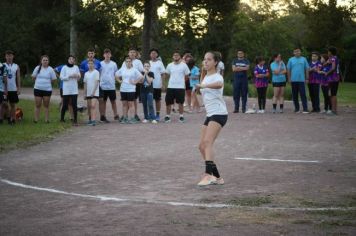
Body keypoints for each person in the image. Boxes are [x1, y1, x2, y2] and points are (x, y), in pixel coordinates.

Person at [195, 51, 228, 186]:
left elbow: (219, 85)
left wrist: (204, 86)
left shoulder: (217, 76)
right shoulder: (205, 77)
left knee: (208, 142)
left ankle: (208, 175)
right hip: (209, 114)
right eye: (204, 59)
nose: (206, 62)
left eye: (209, 60)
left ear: (215, 62)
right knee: (201, 146)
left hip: (219, 114)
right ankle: (218, 178)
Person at [164, 50, 190, 123]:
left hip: (180, 87)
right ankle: (167, 116)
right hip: (170, 86)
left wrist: (181, 82)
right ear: (172, 57)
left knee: (180, 102)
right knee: (168, 102)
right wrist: (166, 84)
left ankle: (181, 116)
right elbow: (167, 75)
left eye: (177, 55)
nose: (175, 56)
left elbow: (187, 76)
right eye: (174, 55)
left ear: (180, 57)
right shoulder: (169, 65)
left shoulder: (184, 65)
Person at [116, 57, 143, 124]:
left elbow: (141, 76)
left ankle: (132, 118)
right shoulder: (122, 69)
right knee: (124, 104)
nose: (128, 63)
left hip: (131, 89)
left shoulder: (134, 70)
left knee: (131, 104)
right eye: (127, 61)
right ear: (125, 62)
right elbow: (116, 74)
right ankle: (125, 118)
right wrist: (119, 81)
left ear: (131, 62)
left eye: (129, 61)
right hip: (123, 89)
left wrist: (135, 82)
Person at [31, 55, 57, 123]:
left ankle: (47, 120)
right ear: (41, 61)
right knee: (38, 105)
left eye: (46, 60)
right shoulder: (37, 68)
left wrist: (48, 84)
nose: (45, 61)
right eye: (44, 60)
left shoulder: (50, 69)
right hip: (37, 89)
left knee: (46, 105)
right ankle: (36, 119)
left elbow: (54, 79)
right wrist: (38, 83)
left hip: (47, 90)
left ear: (48, 61)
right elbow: (33, 77)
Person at [287, 47, 310, 113]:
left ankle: (305, 109)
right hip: (293, 80)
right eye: (295, 51)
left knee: (303, 94)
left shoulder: (304, 59)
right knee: (294, 95)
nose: (297, 52)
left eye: (298, 51)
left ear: (300, 52)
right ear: (293, 53)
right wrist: (289, 79)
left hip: (301, 80)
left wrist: (307, 78)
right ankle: (297, 109)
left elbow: (307, 69)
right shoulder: (290, 59)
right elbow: (288, 69)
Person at [99, 48, 119, 123]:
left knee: (113, 101)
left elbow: (116, 74)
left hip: (111, 86)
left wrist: (119, 81)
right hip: (103, 86)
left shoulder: (114, 64)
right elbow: (98, 74)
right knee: (103, 101)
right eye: (106, 53)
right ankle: (103, 115)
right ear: (103, 55)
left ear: (110, 55)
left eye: (108, 53)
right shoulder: (100, 63)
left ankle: (116, 115)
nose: (107, 55)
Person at [60, 55, 81, 125]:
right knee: (65, 104)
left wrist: (77, 76)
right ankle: (62, 119)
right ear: (68, 60)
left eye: (73, 59)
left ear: (74, 61)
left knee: (74, 104)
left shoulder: (76, 67)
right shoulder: (64, 68)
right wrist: (69, 76)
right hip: (66, 89)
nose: (71, 60)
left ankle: (75, 120)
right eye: (70, 59)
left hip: (74, 89)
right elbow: (61, 77)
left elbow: (79, 76)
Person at [4, 50, 21, 125]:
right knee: (4, 104)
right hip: (4, 89)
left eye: (10, 55)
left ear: (13, 56)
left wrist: (19, 88)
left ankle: (13, 119)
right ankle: (7, 118)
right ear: (5, 57)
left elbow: (18, 78)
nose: (9, 57)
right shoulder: (2, 65)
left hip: (13, 88)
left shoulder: (16, 66)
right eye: (7, 56)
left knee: (13, 105)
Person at [149, 48, 165, 121]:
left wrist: (163, 84)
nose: (153, 54)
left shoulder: (160, 63)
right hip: (149, 85)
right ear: (150, 55)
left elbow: (163, 74)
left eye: (155, 53)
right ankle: (151, 114)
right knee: (149, 100)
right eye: (152, 53)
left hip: (157, 84)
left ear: (157, 55)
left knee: (157, 100)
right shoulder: (148, 63)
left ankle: (157, 115)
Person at [83, 60, 100, 126]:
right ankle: (90, 119)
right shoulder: (86, 73)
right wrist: (85, 93)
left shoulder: (96, 72)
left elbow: (96, 82)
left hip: (95, 92)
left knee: (93, 106)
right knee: (89, 106)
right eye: (89, 64)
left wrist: (93, 92)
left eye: (91, 63)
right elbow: (85, 84)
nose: (90, 65)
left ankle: (93, 120)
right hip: (88, 92)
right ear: (87, 65)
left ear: (94, 65)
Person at [326, 46, 340, 115]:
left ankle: (334, 110)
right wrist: (327, 62)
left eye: (328, 51)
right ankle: (333, 110)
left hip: (333, 79)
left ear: (331, 52)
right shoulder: (333, 58)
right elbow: (325, 64)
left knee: (333, 94)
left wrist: (327, 73)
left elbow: (333, 68)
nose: (327, 53)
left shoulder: (333, 58)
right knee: (332, 94)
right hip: (333, 79)